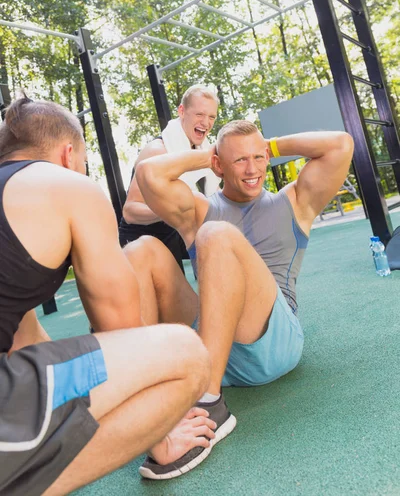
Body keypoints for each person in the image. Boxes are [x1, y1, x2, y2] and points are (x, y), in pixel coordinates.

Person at [0, 98, 215, 496]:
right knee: (186, 352)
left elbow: (24, 343)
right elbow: (122, 331)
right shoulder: (68, 186)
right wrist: (161, 437)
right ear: (68, 154)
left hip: (10, 387)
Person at [132, 119, 354, 479]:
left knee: (217, 235)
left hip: (270, 343)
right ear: (219, 165)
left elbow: (341, 144)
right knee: (142, 250)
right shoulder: (200, 209)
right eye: (239, 161)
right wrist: (211, 154)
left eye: (258, 158)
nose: (252, 170)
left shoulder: (295, 201)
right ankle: (150, 402)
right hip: (211, 344)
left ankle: (209, 402)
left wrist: (270, 145)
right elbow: (148, 173)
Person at [119, 84, 221, 269]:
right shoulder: (158, 151)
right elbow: (130, 211)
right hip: (138, 240)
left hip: (171, 233)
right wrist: (175, 211)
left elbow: (214, 199)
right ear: (182, 111)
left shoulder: (203, 152)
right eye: (199, 114)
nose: (206, 123)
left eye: (211, 117)